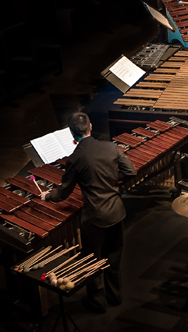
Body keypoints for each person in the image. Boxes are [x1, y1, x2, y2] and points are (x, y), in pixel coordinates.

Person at [41, 112, 137, 313]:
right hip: (116, 214)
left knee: (92, 260)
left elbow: (64, 193)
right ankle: (115, 296)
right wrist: (112, 179)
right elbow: (130, 172)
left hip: (94, 219)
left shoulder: (75, 158)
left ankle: (97, 301)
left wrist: (47, 196)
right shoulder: (110, 147)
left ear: (72, 135)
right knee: (114, 257)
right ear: (91, 127)